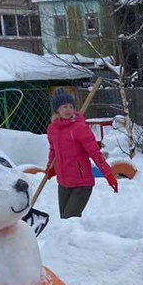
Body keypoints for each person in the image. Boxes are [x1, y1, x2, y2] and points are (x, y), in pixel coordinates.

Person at [46, 90, 118, 219]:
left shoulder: (79, 128)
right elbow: (53, 151)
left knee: (70, 219)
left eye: (71, 106)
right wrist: (50, 168)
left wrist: (108, 174)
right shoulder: (53, 129)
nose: (68, 109)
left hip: (81, 183)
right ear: (57, 109)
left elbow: (95, 153)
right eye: (64, 106)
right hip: (63, 182)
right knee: (64, 220)